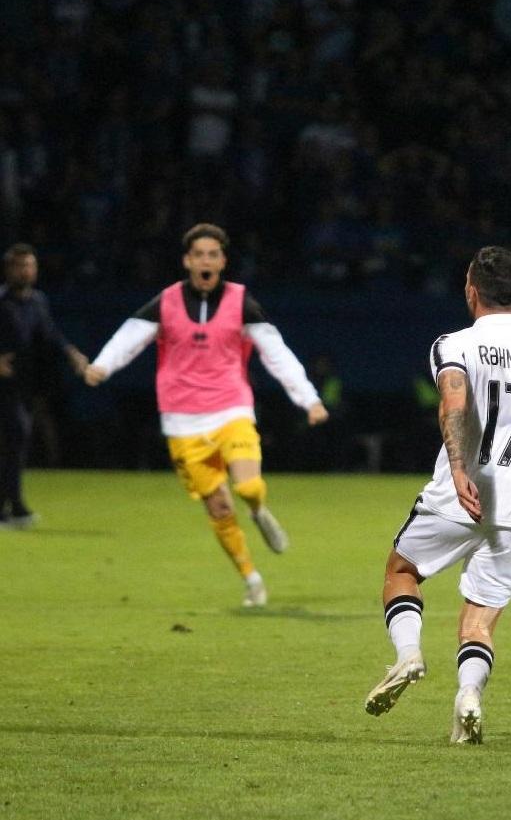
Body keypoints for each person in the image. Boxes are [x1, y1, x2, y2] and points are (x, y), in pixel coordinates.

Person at [364, 246, 511, 743]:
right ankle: (468, 695)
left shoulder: (455, 344)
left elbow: (452, 400)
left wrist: (457, 468)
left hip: (461, 492)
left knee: (401, 572)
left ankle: (408, 654)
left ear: (470, 289)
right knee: (480, 621)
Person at [84, 224, 328, 606]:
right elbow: (129, 336)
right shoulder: (166, 302)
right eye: (198, 254)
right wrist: (102, 365)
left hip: (231, 409)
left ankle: (259, 510)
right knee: (219, 507)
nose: (205, 261)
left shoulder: (241, 302)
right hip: (182, 420)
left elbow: (277, 354)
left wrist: (309, 399)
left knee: (247, 487)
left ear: (223, 261)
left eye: (213, 254)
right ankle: (252, 579)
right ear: (187, 261)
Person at [0, 243, 89, 528]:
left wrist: (71, 353)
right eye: (20, 266)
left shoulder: (37, 301)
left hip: (22, 384)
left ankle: (12, 506)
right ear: (8, 269)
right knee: (14, 438)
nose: (25, 271)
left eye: (29, 265)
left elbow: (49, 335)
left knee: (15, 442)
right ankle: (12, 506)